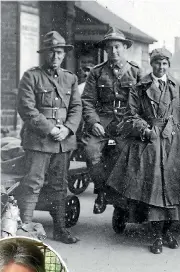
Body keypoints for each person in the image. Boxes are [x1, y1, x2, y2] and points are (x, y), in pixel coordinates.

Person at [106, 48, 180, 254]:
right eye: (157, 63)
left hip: (174, 141)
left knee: (174, 186)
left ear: (168, 65)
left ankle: (168, 232)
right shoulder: (139, 87)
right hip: (151, 140)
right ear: (151, 64)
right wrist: (145, 130)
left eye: (164, 64)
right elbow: (131, 114)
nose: (160, 67)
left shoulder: (178, 86)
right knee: (156, 187)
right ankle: (156, 235)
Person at [15, 31, 82, 244]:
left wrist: (68, 129)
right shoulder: (31, 76)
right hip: (39, 141)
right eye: (51, 52)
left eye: (59, 52)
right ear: (45, 54)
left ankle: (60, 230)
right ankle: (25, 229)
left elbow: (76, 107)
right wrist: (50, 129)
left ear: (64, 54)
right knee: (33, 183)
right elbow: (26, 108)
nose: (55, 56)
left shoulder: (70, 78)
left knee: (59, 185)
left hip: (62, 142)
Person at [81, 26, 141, 214]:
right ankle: (101, 191)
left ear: (125, 48)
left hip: (126, 121)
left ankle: (122, 198)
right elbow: (87, 101)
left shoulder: (136, 72)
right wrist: (94, 122)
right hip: (103, 120)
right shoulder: (97, 72)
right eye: (109, 48)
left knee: (126, 155)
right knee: (91, 152)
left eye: (117, 47)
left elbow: (143, 102)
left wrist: (133, 122)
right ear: (105, 50)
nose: (113, 51)